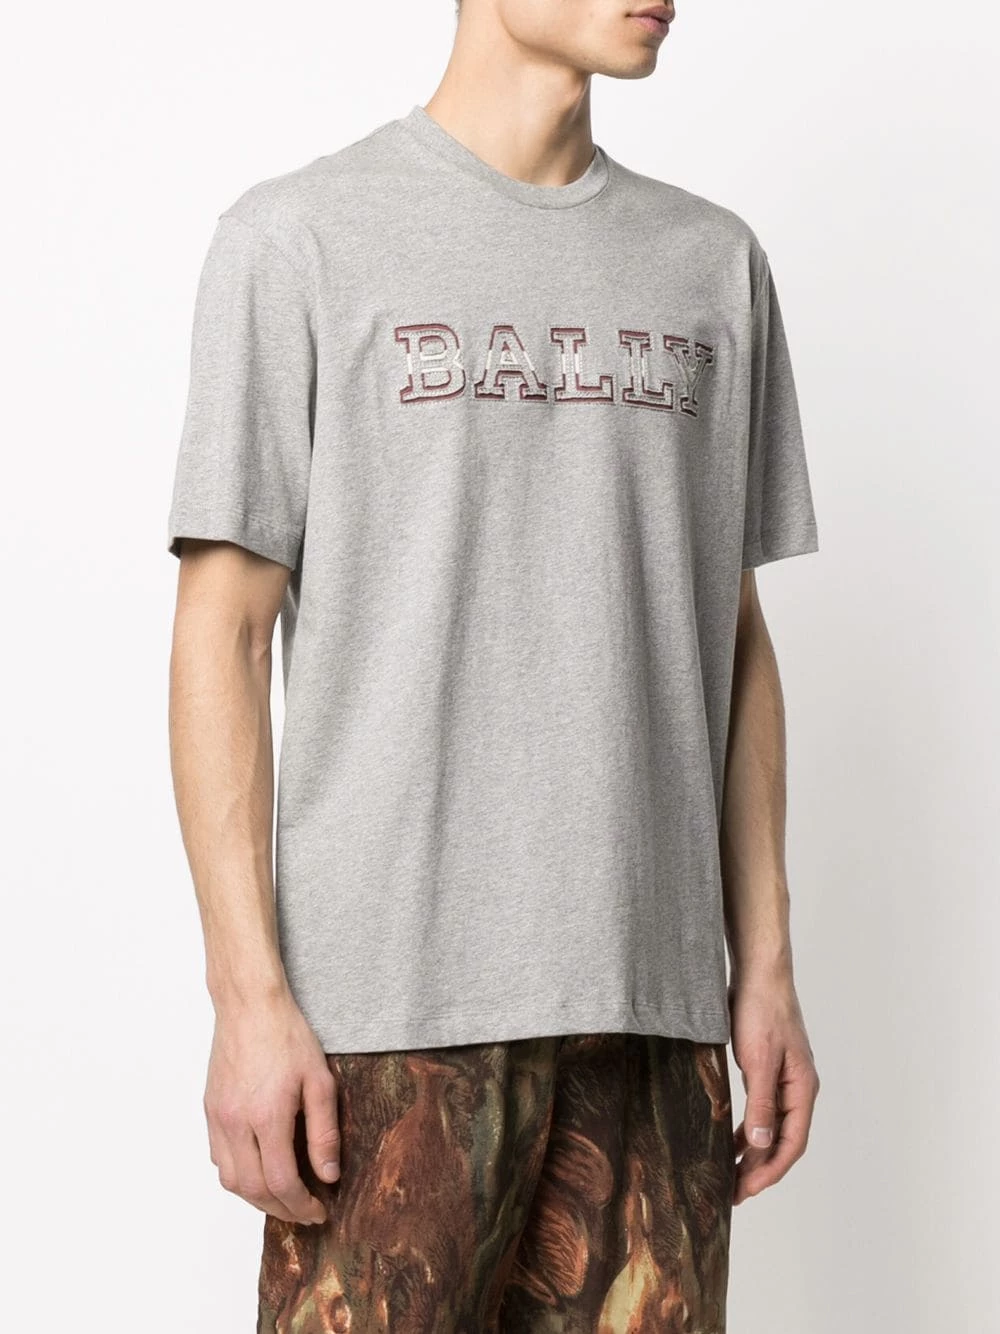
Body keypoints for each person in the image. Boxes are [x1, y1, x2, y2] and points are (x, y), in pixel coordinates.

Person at [165, 0, 821, 1328]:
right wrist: (246, 996)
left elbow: (736, 634)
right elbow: (222, 632)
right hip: (383, 1031)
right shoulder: (299, 240)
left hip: (655, 1022)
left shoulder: (714, 263)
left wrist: (765, 966)